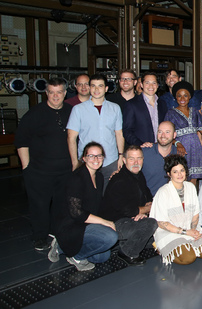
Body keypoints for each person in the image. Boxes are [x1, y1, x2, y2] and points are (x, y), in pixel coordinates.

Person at [15, 78, 73, 250]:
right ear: (46, 93)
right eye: (52, 92)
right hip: (40, 172)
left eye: (59, 92)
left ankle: (57, 234)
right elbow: (21, 141)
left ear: (65, 93)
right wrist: (27, 168)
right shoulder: (34, 114)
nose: (56, 96)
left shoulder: (71, 111)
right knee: (39, 206)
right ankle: (39, 237)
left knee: (61, 205)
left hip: (65, 171)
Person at [48, 142, 118, 271]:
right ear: (84, 158)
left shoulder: (100, 177)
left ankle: (62, 246)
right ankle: (76, 256)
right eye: (91, 156)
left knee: (102, 257)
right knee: (110, 237)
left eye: (99, 156)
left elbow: (99, 205)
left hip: (86, 222)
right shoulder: (76, 179)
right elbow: (77, 213)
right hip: (70, 224)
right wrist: (104, 222)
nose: (96, 159)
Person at [99, 145, 158, 266]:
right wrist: (144, 210)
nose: (136, 162)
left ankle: (127, 242)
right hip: (115, 224)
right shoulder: (119, 180)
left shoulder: (139, 175)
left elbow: (148, 198)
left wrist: (143, 212)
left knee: (157, 233)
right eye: (131, 159)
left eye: (139, 158)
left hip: (132, 218)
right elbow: (128, 210)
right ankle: (127, 252)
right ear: (124, 160)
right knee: (151, 224)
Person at [150, 155, 202, 265]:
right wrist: (185, 232)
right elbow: (161, 223)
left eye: (182, 170)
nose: (179, 174)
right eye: (175, 172)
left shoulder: (190, 187)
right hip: (169, 230)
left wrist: (193, 231)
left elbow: (195, 214)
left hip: (188, 227)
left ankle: (188, 244)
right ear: (169, 174)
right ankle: (160, 246)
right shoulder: (163, 192)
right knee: (188, 258)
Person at [66, 74, 125, 190]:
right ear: (89, 88)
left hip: (111, 161)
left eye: (100, 86)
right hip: (88, 162)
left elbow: (119, 134)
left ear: (106, 89)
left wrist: (120, 156)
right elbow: (71, 138)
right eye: (93, 86)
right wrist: (74, 163)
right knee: (88, 197)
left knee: (110, 196)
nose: (96, 89)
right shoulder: (78, 109)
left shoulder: (115, 108)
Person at [165, 81, 202, 185]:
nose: (182, 99)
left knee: (193, 181)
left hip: (195, 150)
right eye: (179, 96)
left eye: (185, 95)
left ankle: (192, 201)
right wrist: (177, 143)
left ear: (189, 97)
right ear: (175, 97)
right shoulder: (170, 113)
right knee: (180, 178)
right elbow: (166, 136)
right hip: (181, 150)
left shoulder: (195, 111)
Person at [123, 72, 169, 146]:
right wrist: (140, 144)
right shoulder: (131, 104)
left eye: (154, 83)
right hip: (141, 149)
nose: (151, 86)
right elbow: (127, 131)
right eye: (147, 83)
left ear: (157, 85)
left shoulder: (162, 104)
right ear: (141, 85)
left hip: (160, 148)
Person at [142, 121, 179, 196]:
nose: (163, 135)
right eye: (160, 132)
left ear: (174, 135)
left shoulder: (179, 155)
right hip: (148, 202)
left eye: (167, 132)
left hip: (170, 202)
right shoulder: (144, 153)